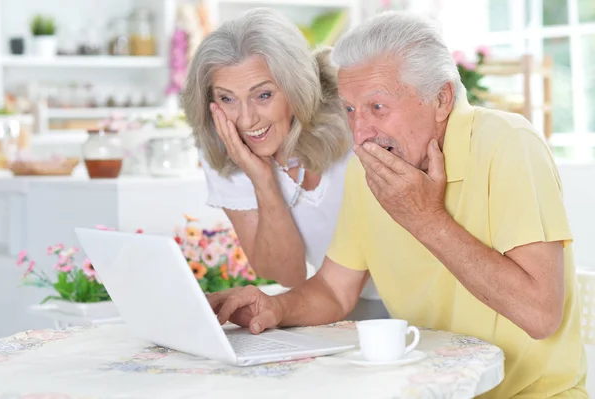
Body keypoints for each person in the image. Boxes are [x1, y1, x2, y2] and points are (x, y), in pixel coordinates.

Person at [207, 11, 587, 399]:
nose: (360, 133)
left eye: (377, 107)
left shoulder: (508, 143)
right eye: (350, 110)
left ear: (440, 99)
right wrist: (274, 307)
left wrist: (426, 219)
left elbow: (540, 315)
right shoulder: (369, 166)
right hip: (434, 391)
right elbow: (336, 290)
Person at [182, 7, 382, 304]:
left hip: (420, 293)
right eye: (227, 99)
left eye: (263, 95)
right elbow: (287, 274)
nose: (247, 120)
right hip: (339, 306)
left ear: (295, 86)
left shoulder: (351, 114)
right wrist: (262, 180)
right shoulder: (224, 146)